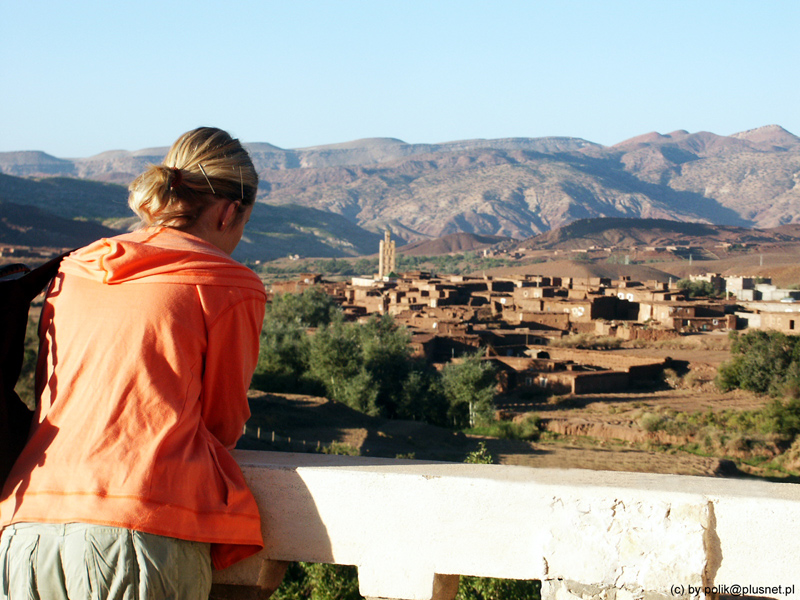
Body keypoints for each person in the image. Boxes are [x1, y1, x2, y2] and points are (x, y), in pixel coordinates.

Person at [0, 127, 267, 599]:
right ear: (231, 212)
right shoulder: (227, 282)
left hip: (27, 527)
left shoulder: (78, 268)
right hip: (141, 532)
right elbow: (222, 424)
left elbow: (52, 395)